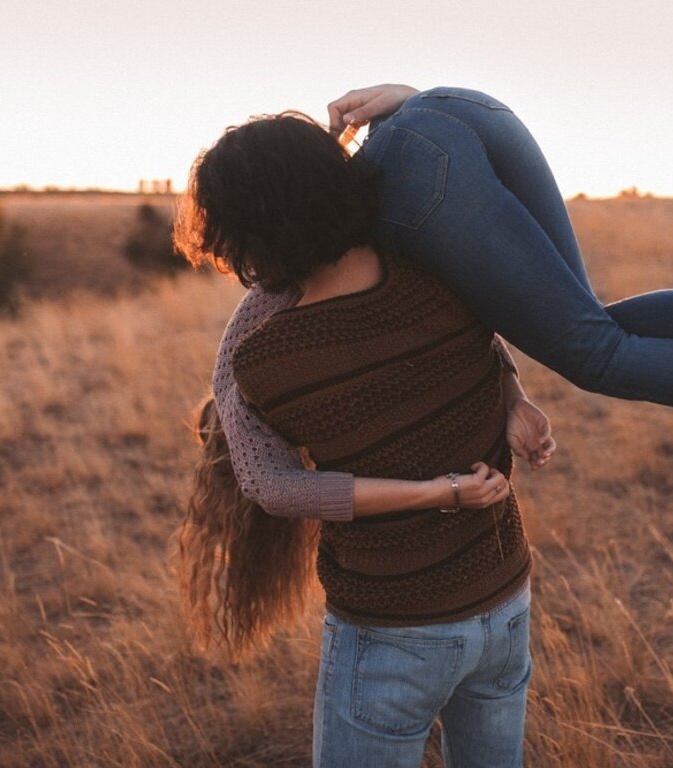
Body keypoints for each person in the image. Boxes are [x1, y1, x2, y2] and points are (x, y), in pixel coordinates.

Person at [209, 85, 673, 516]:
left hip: (431, 179)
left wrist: (228, 382)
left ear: (256, 229)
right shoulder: (341, 192)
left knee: (598, 357)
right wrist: (415, 99)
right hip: (458, 108)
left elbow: (265, 465)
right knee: (589, 322)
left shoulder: (307, 262)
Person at [175, 112, 553, 768]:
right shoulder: (439, 273)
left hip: (392, 631)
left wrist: (438, 492)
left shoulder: (268, 362)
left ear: (250, 235)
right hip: (504, 598)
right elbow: (482, 337)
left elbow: (273, 487)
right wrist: (511, 394)